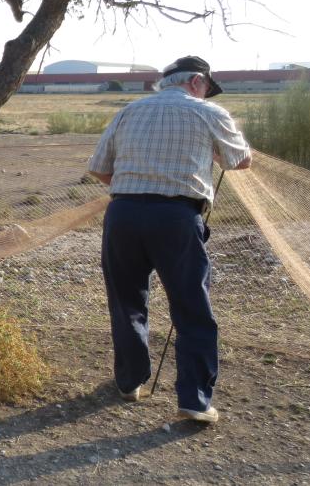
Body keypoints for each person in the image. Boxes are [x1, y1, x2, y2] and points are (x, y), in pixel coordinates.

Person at [87, 56, 252, 423]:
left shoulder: (129, 112)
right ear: (196, 81)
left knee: (126, 301)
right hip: (177, 218)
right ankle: (193, 401)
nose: (207, 93)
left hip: (123, 214)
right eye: (207, 86)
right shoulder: (209, 112)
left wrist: (136, 189)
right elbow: (240, 161)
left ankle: (130, 382)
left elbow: (99, 168)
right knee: (192, 307)